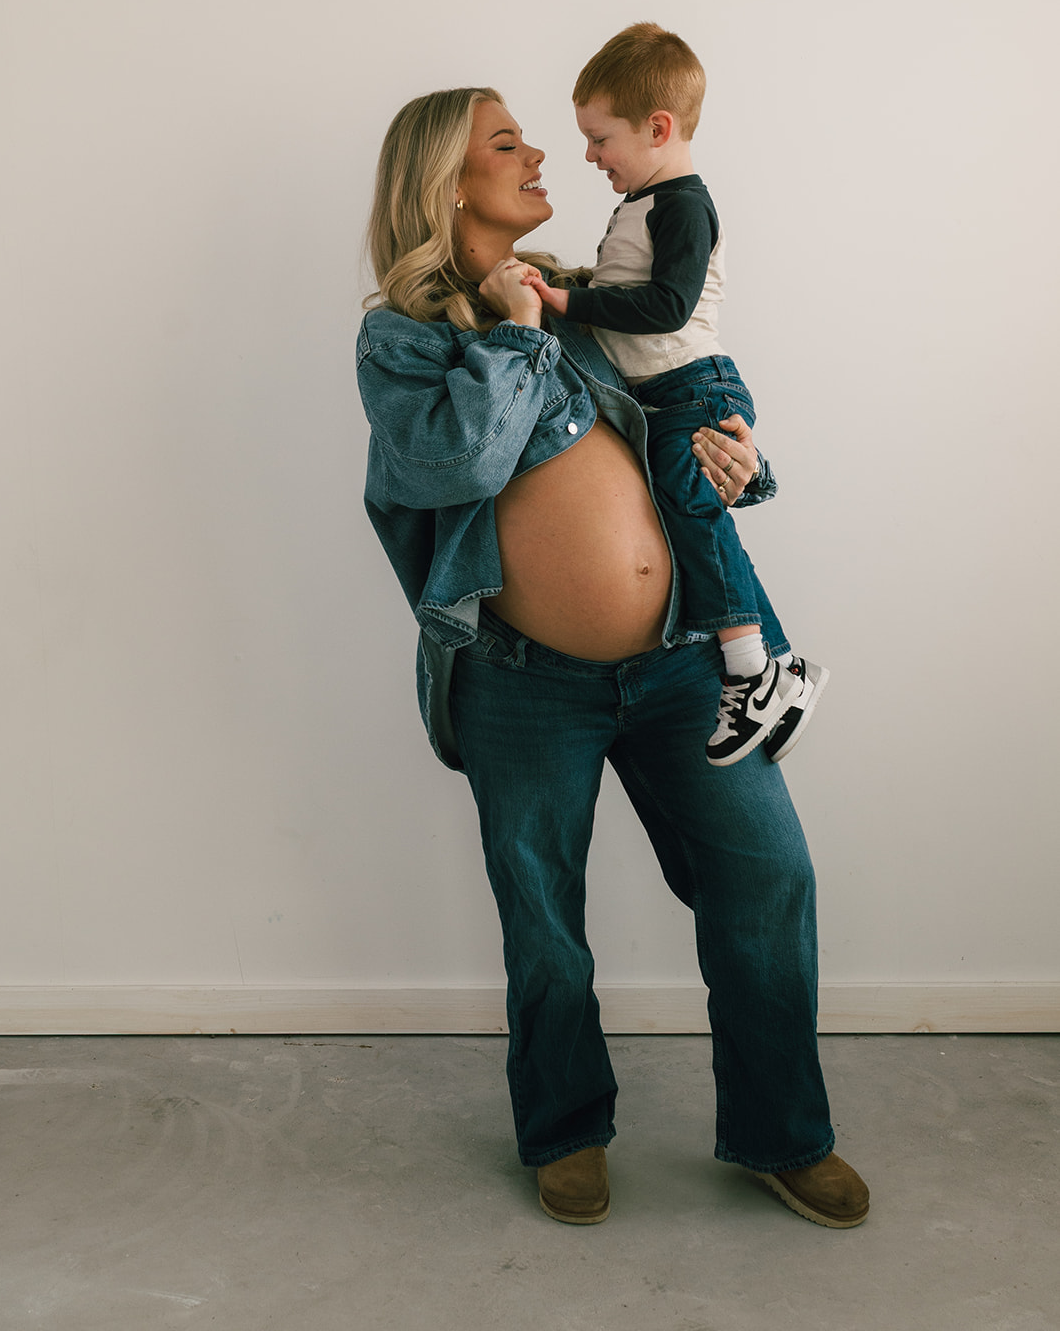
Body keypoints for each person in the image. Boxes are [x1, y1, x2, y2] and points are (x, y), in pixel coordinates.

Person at [356, 85, 869, 1230]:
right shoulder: (402, 337)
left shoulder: (582, 297)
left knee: (765, 879)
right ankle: (565, 1129)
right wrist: (506, 332)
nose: (540, 151)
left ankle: (782, 1132)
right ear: (446, 180)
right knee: (543, 919)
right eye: (505, 142)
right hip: (522, 681)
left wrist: (739, 459)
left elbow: (677, 402)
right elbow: (454, 466)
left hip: (686, 661)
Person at [529, 22, 826, 767]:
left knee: (691, 510)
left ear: (657, 128)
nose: (589, 156)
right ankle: (771, 666)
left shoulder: (682, 206)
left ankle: (754, 668)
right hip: (665, 392)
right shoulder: (643, 202)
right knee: (682, 509)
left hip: (694, 386)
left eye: (600, 139)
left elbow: (664, 308)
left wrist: (568, 303)